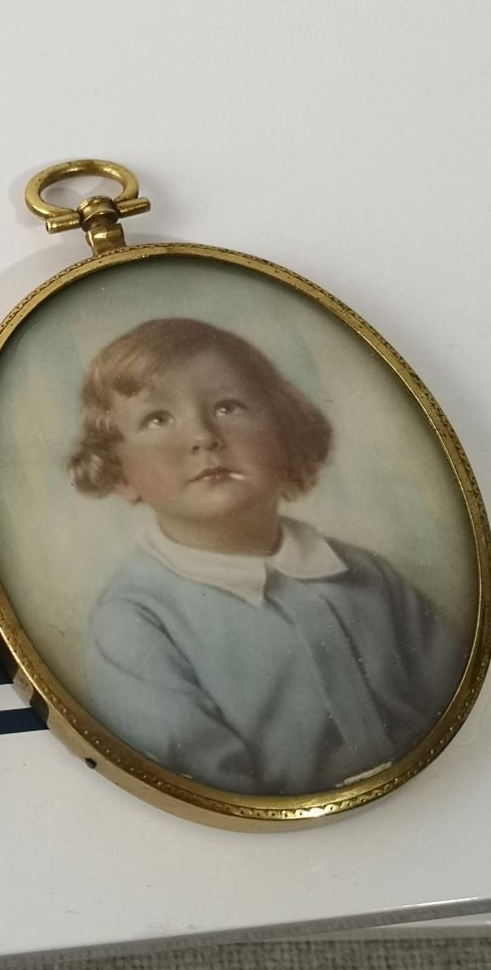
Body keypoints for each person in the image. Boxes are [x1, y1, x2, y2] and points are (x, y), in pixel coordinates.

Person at [68, 318, 466, 796]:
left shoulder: (367, 575)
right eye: (157, 418)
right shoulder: (135, 621)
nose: (204, 436)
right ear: (118, 473)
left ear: (284, 434)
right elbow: (199, 780)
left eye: (227, 406)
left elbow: (456, 705)